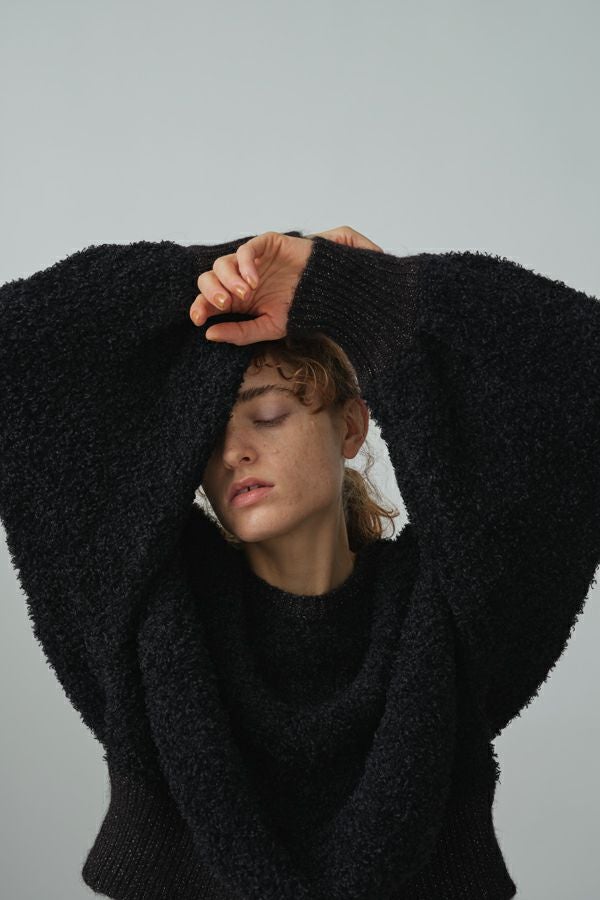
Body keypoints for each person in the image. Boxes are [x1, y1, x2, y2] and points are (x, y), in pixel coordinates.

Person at [0, 226, 599, 900]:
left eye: (268, 415)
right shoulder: (144, 603)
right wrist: (218, 277)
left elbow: (579, 369)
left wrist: (371, 294)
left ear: (351, 426)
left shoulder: (454, 607)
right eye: (207, 435)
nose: (233, 452)